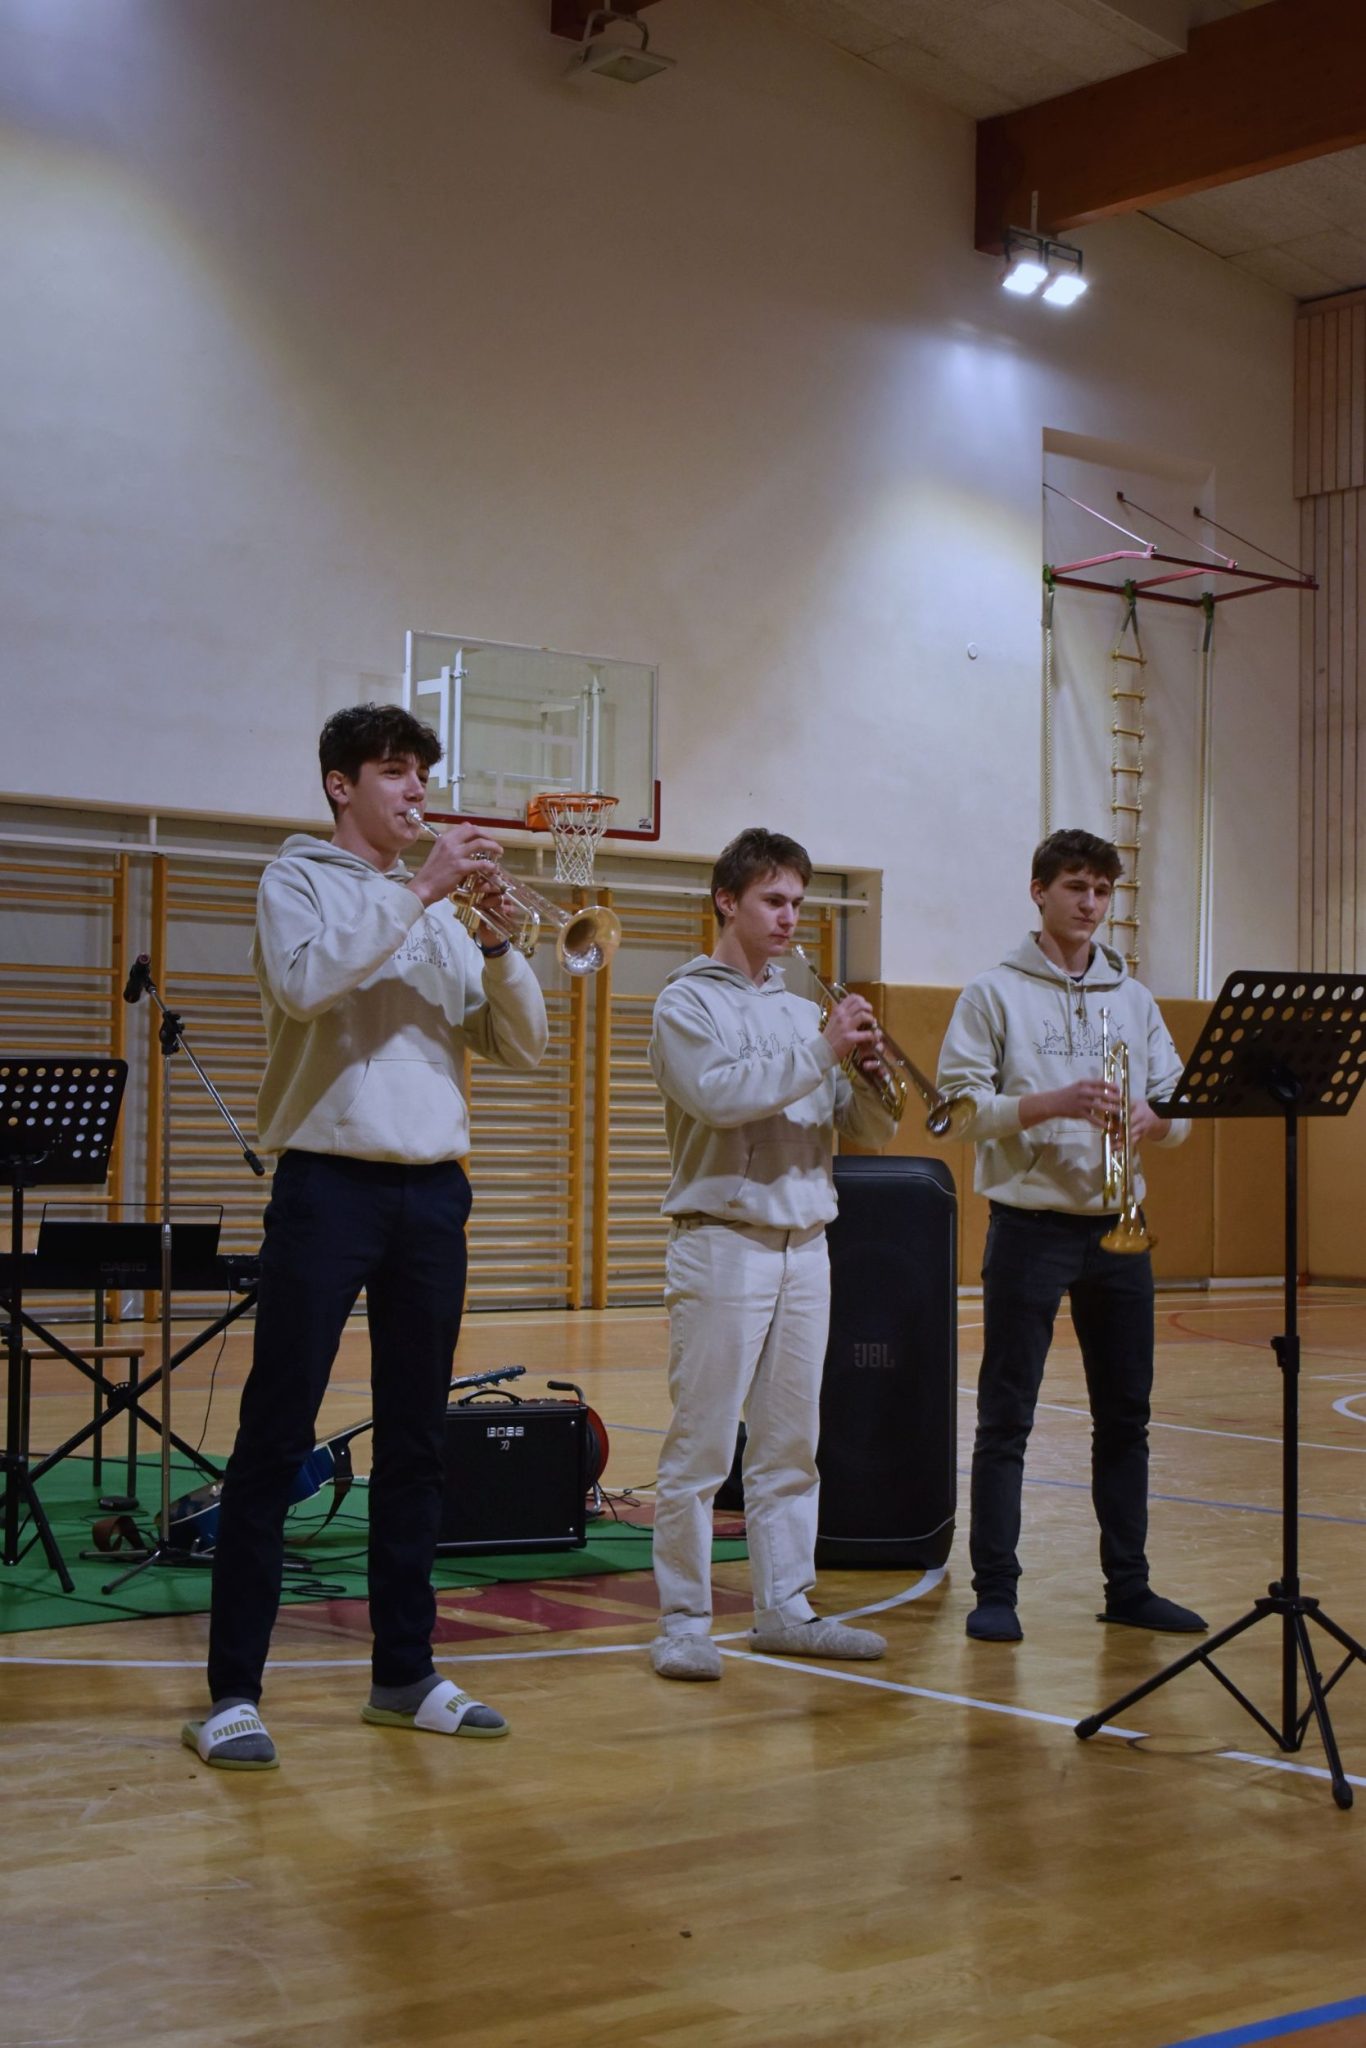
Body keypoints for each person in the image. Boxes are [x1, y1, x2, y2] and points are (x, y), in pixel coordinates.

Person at [183, 704, 548, 1769]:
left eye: (421, 774)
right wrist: (421, 888)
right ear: (341, 785)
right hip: (327, 1186)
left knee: (418, 1440)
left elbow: (522, 1041)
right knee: (275, 1433)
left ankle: (405, 1673)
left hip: (432, 1193)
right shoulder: (295, 881)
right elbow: (306, 984)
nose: (416, 791)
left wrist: (494, 935)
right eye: (394, 772)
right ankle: (232, 1693)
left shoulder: (439, 911)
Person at [936, 827, 1206, 1644]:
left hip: (1119, 1225)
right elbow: (956, 1109)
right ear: (1039, 891)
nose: (1091, 904)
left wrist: (1157, 1120)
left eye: (1102, 890)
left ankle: (1130, 1586)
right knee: (1007, 1418)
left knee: (1126, 1418)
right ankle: (996, 1591)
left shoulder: (1135, 998)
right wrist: (1049, 1103)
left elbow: (1181, 1108)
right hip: (1030, 1226)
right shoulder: (993, 992)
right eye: (1076, 888)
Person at [646, 827, 897, 1681]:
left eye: (797, 902)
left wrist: (869, 1073)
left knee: (791, 1445)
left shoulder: (799, 1011)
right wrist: (825, 1048)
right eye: (773, 900)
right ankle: (684, 1621)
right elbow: (723, 1098)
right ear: (727, 901)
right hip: (722, 1243)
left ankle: (786, 1609)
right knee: (702, 1448)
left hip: (806, 1244)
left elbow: (867, 1129)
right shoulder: (686, 1003)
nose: (790, 917)